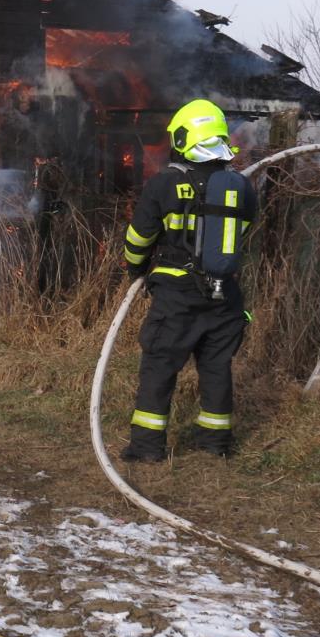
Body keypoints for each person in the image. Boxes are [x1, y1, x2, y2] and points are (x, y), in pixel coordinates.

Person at [120, 99, 257, 462]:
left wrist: (135, 269)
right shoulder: (240, 187)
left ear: (183, 138)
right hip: (225, 295)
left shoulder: (165, 184)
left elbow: (138, 239)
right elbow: (241, 232)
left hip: (177, 295)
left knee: (160, 367)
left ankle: (147, 448)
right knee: (216, 367)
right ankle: (215, 443)